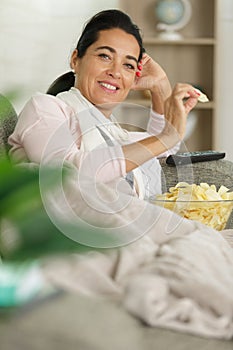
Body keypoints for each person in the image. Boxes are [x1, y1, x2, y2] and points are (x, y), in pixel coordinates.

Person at [8, 9, 203, 247]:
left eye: (128, 66)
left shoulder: (112, 134)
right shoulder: (44, 108)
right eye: (104, 56)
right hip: (67, 239)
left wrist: (160, 86)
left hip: (123, 232)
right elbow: (70, 173)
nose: (115, 72)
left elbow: (158, 151)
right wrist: (165, 138)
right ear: (75, 59)